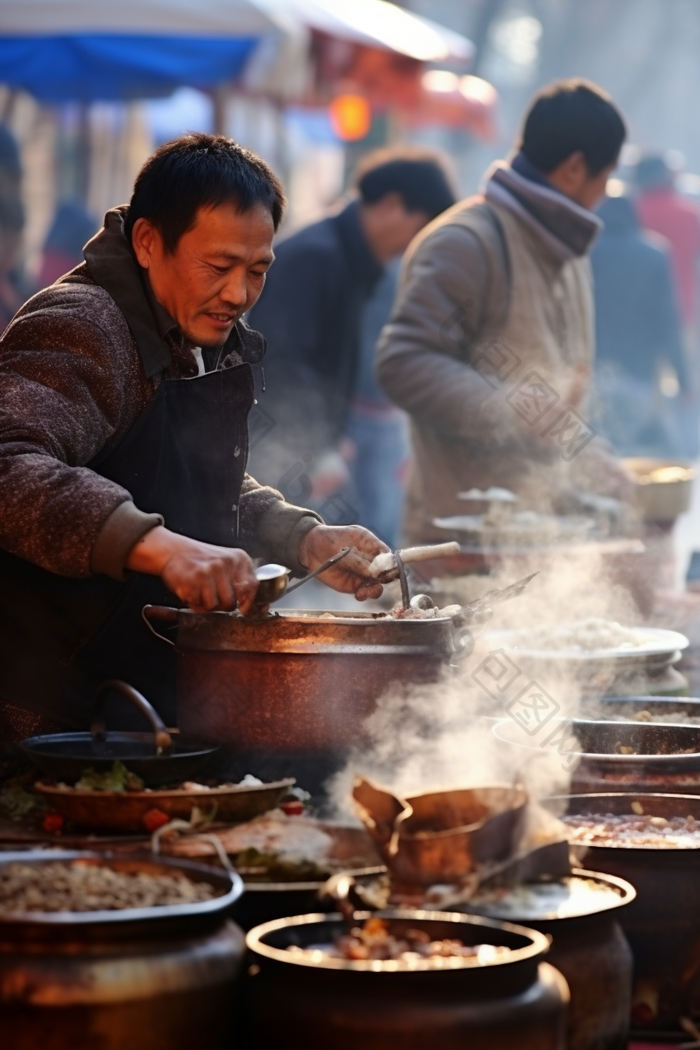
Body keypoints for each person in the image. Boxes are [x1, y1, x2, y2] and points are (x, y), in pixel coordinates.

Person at [0, 133, 388, 739]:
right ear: (149, 243)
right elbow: (9, 466)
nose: (238, 294)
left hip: (146, 694)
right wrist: (161, 547)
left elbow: (190, 476)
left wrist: (301, 538)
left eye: (257, 270)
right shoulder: (85, 325)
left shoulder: (188, 327)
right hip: (48, 713)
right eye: (219, 266)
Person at [376, 79, 631, 544]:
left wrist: (596, 458)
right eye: (606, 177)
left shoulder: (569, 255)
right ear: (575, 168)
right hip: (461, 540)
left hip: (543, 537)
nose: (605, 193)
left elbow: (558, 408)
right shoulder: (466, 241)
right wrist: (510, 407)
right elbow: (403, 362)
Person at [246, 148, 456, 514]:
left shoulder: (348, 257)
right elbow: (280, 358)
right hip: (279, 451)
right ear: (392, 205)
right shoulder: (317, 256)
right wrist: (316, 449)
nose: (414, 246)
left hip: (308, 445)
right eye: (419, 230)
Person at [591, 194, 689, 458]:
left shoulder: (586, 252)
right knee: (632, 455)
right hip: (639, 374)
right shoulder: (654, 253)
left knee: (595, 453)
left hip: (591, 372)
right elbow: (668, 320)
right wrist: (683, 379)